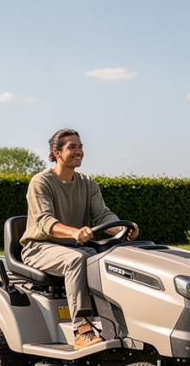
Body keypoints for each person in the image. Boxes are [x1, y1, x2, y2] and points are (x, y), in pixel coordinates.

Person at [20, 128, 138, 349]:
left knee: (107, 258)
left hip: (73, 247)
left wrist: (122, 228)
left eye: (80, 146)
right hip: (39, 247)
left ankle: (118, 320)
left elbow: (103, 215)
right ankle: (82, 328)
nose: (79, 151)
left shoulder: (87, 182)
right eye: (72, 147)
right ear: (56, 152)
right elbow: (45, 221)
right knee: (77, 259)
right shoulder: (41, 182)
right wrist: (74, 232)